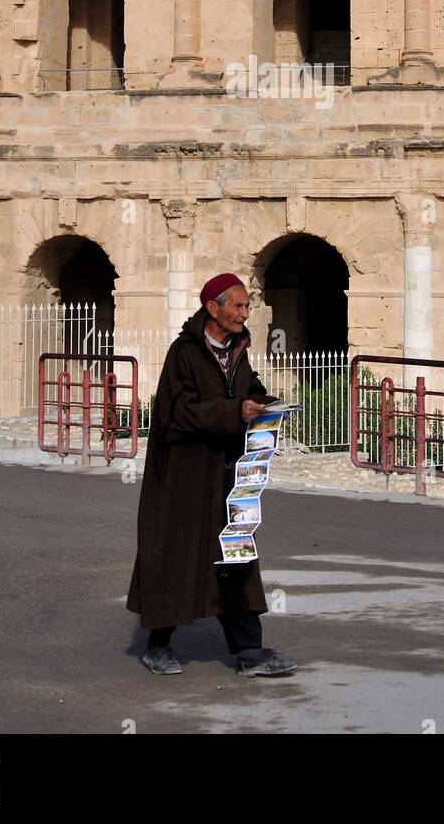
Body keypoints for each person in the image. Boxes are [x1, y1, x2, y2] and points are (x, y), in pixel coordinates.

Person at [126, 272, 296, 677]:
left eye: (247, 306)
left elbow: (248, 388)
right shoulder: (183, 353)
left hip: (227, 477)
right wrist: (232, 413)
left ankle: (250, 653)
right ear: (212, 308)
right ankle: (159, 645)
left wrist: (266, 405)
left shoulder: (238, 349)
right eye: (237, 306)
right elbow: (176, 413)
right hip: (184, 479)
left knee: (235, 558)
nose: (244, 313)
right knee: (176, 558)